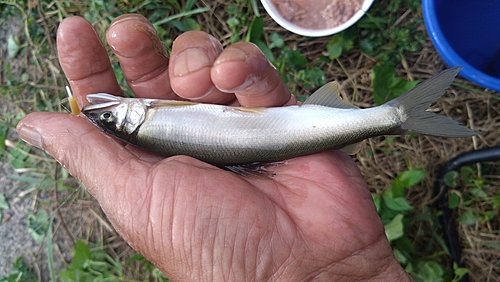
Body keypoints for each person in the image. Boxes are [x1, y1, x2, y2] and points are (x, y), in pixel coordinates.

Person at [16, 14, 413, 281]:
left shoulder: (146, 122)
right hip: (289, 136)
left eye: (106, 119)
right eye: (108, 120)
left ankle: (392, 117)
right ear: (129, 121)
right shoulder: (144, 121)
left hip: (287, 136)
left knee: (218, 73)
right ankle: (395, 117)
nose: (105, 113)